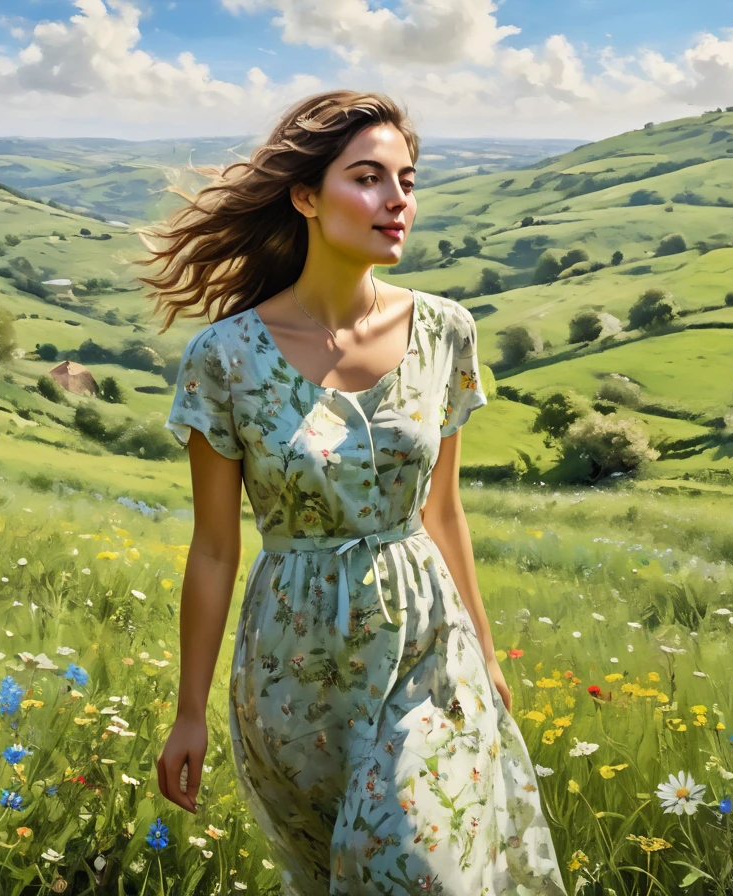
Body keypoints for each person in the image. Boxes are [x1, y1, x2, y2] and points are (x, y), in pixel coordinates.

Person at [141, 89, 566, 895]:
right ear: (306, 196)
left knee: (416, 867)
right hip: (293, 666)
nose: (397, 200)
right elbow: (214, 546)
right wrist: (189, 709)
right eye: (369, 178)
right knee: (339, 876)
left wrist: (484, 647)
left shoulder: (445, 331)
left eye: (407, 180)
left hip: (426, 645)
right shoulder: (224, 357)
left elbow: (443, 510)